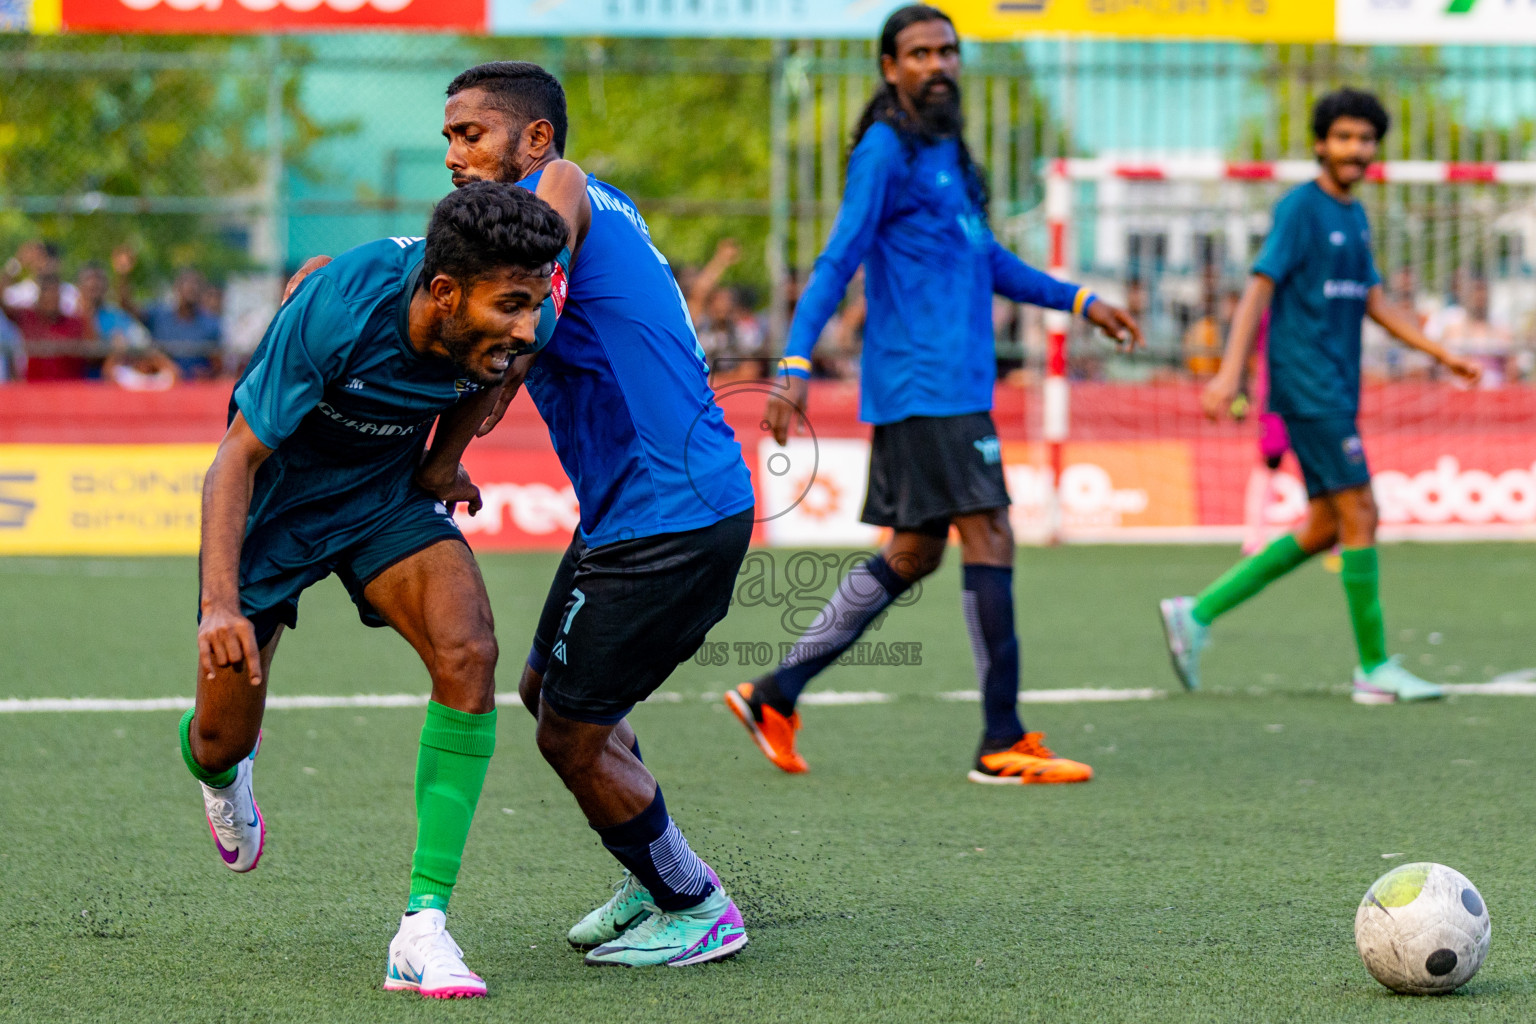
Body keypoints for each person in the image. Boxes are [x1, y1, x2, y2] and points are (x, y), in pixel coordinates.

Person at [725, 4, 1142, 784]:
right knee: (991, 535)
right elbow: (837, 257)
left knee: (914, 552)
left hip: (943, 386)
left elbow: (992, 264)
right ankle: (1001, 740)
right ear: (890, 68)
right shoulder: (885, 150)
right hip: (927, 384)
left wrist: (1080, 300)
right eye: (918, 53)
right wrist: (793, 364)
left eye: (946, 50)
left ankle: (774, 692)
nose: (937, 63)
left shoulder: (946, 151)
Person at [183, 181, 567, 999]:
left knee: (470, 652)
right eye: (510, 306)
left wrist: (441, 461)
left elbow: (508, 367)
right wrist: (221, 605)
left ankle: (422, 926)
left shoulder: (526, 315)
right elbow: (232, 461)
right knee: (220, 738)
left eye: (534, 303)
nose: (527, 325)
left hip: (384, 498)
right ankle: (224, 777)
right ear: (442, 293)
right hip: (278, 504)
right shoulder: (339, 306)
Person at [437, 62, 755, 967]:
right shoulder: (585, 207)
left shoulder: (557, 197)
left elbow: (518, 338)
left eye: (472, 134)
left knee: (569, 735)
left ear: (535, 139)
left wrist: (440, 458)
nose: (455, 155)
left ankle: (697, 906)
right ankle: (653, 869)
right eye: (449, 139)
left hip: (674, 513)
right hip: (631, 508)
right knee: (554, 697)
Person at [1159, 88, 1482, 704]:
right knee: (1363, 512)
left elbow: (1375, 303)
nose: (1356, 149)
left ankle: (1195, 614)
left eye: (1365, 140)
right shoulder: (1300, 209)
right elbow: (1258, 289)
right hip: (1309, 386)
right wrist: (1229, 373)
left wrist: (1441, 354)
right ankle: (1375, 669)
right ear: (1320, 143)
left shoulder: (1354, 216)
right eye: (1344, 137)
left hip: (1337, 384)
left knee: (1324, 526)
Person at [2, 271, 94, 381]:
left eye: (54, 292)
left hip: (70, 390)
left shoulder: (76, 322)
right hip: (34, 390)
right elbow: (4, 305)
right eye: (47, 292)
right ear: (40, 296)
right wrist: (14, 268)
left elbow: (93, 352)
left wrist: (87, 310)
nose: (51, 297)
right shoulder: (27, 317)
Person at [137, 266, 223, 378]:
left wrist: (207, 374)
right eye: (188, 283)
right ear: (177, 287)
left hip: (195, 388)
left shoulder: (211, 324)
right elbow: (130, 310)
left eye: (197, 284)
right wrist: (124, 276)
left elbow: (218, 365)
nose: (193, 288)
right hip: (163, 386)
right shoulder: (159, 316)